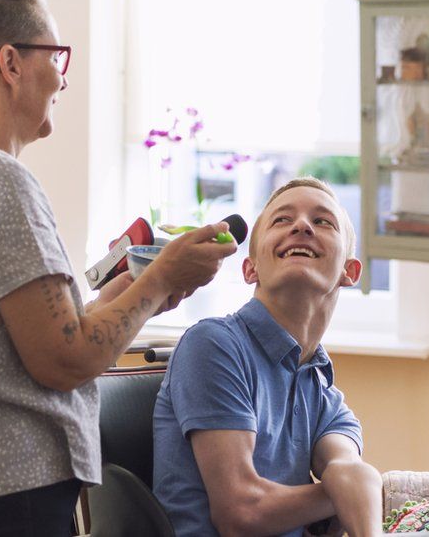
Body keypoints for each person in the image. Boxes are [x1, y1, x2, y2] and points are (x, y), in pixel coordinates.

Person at [0, 0, 237, 535]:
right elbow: (65, 359)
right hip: (8, 502)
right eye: (56, 57)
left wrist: (146, 291)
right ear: (10, 62)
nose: (63, 79)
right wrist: (162, 276)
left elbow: (40, 338)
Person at [153, 177, 384, 537]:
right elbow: (241, 513)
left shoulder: (324, 394)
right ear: (250, 269)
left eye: (323, 221)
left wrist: (356, 486)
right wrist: (347, 494)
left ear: (349, 272)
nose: (302, 226)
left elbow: (350, 470)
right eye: (282, 220)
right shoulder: (213, 344)